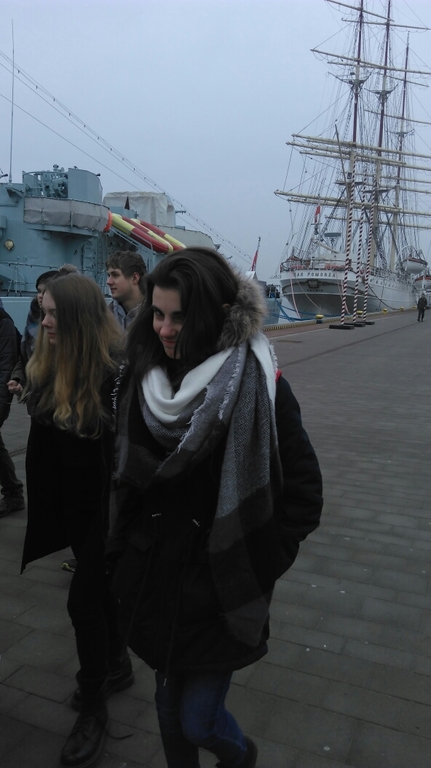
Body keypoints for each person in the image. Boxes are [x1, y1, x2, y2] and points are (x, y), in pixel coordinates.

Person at [107, 248, 323, 768]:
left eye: (179, 317)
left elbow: (304, 495)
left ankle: (240, 757)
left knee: (199, 719)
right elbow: (124, 478)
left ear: (215, 314)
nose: (164, 330)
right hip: (157, 574)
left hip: (221, 582)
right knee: (167, 708)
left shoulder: (261, 387)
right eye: (157, 314)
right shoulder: (143, 379)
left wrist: (257, 559)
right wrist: (126, 550)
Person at [17, 274, 133, 768]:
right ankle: (118, 663)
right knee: (101, 595)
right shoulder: (47, 366)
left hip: (108, 510)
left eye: (52, 314)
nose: (44, 322)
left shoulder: (114, 376)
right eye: (42, 312)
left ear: (79, 319)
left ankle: (94, 707)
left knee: (82, 602)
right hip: (73, 506)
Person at [0, 307, 25, 517]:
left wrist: (2, 403)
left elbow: (6, 365)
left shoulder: (3, 321)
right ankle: (13, 493)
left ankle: (13, 493)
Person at [106, 250, 146, 329]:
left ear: (135, 278)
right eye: (109, 275)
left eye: (115, 275)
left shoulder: (156, 316)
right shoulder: (104, 317)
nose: (108, 282)